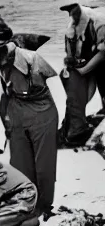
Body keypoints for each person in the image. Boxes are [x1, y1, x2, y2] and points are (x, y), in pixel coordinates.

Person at [0, 20, 59, 221]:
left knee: (43, 165)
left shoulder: (30, 58)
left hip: (41, 109)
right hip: (16, 107)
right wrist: (4, 118)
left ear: (10, 42)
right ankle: (26, 200)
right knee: (19, 162)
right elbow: (4, 89)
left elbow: (43, 86)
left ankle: (44, 206)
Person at [59, 2, 105, 147]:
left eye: (75, 12)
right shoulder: (73, 24)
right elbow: (71, 51)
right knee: (78, 96)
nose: (72, 16)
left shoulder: (100, 21)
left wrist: (85, 70)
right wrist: (70, 63)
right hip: (88, 62)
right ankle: (71, 127)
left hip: (101, 61)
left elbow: (103, 53)